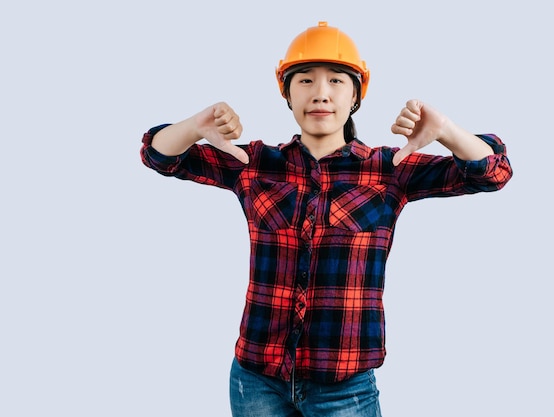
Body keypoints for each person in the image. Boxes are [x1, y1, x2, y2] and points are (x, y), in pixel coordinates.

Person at [140, 21, 512, 417]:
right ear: (286, 93)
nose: (320, 94)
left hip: (344, 387)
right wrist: (196, 127)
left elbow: (492, 173)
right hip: (256, 379)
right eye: (304, 81)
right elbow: (159, 155)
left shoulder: (390, 169)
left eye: (336, 80)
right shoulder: (253, 163)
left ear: (355, 95)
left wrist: (445, 131)